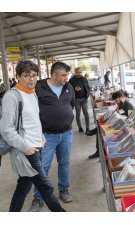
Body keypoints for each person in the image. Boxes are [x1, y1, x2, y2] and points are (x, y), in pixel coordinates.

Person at [0, 60, 65, 212]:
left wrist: (41, 138)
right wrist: (26, 147)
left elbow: (33, 120)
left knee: (23, 187)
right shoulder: (12, 96)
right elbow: (6, 129)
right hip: (27, 150)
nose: (31, 79)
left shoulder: (33, 93)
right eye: (26, 75)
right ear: (18, 77)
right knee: (46, 189)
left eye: (34, 75)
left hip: (37, 147)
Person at [30, 62, 75, 212]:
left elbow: (71, 106)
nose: (66, 78)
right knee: (43, 167)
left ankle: (64, 189)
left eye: (67, 75)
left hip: (66, 133)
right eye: (63, 75)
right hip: (46, 136)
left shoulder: (68, 87)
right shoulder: (39, 87)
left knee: (64, 163)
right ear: (53, 75)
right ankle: (38, 196)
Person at [69, 67, 90, 133]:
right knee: (78, 114)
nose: (80, 73)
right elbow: (69, 89)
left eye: (81, 72)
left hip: (84, 99)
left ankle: (87, 128)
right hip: (76, 99)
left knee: (86, 113)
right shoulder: (71, 80)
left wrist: (87, 95)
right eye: (78, 72)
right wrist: (74, 89)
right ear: (75, 72)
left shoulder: (84, 79)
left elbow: (88, 87)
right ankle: (80, 127)